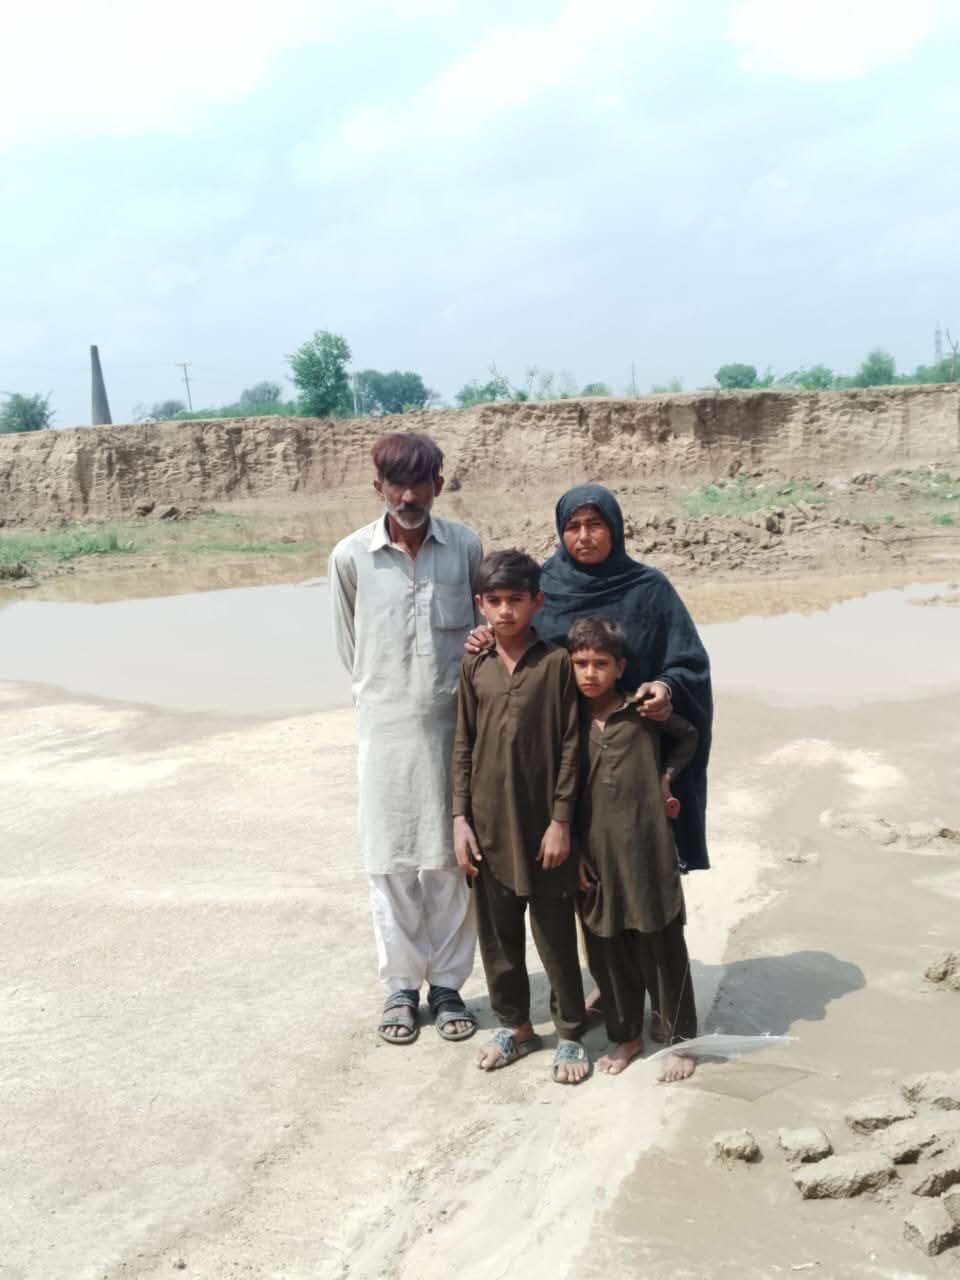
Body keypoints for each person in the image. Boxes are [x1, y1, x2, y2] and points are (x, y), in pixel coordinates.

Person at [329, 432, 481, 1046]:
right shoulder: (350, 557)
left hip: (453, 732)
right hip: (384, 733)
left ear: (438, 485)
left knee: (449, 862)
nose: (409, 496)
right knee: (389, 861)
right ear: (379, 488)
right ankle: (400, 986)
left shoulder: (465, 547)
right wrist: (392, 695)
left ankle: (447, 986)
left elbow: (482, 637)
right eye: (398, 484)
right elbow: (351, 650)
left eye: (421, 483)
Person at [452, 549, 590, 1084]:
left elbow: (572, 744)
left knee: (555, 934)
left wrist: (561, 821)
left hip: (543, 827)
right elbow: (463, 743)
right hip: (487, 825)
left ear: (538, 602)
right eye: (494, 601)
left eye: (516, 600)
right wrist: (459, 819)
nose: (505, 611)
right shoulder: (475, 664)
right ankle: (516, 1026)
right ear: (480, 604)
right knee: (498, 936)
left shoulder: (556, 663)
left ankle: (571, 1031)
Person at [568, 617, 699, 1081]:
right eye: (580, 663)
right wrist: (573, 850)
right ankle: (626, 1035)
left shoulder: (642, 714)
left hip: (647, 848)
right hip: (595, 853)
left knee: (662, 941)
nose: (590, 673)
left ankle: (680, 1039)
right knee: (606, 946)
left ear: (620, 667)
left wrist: (666, 777)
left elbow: (687, 736)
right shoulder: (568, 721)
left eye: (601, 663)